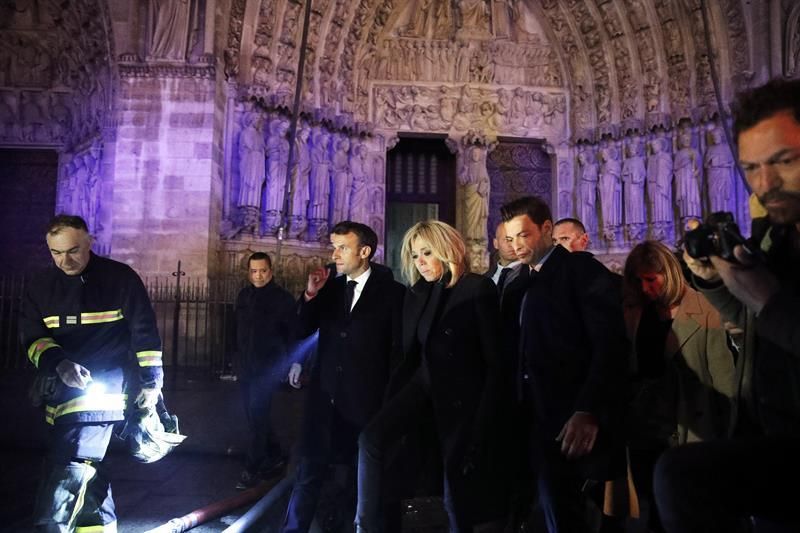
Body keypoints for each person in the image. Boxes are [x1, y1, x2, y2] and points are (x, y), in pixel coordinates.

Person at [655, 78, 800, 533]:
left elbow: (774, 313)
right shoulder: (779, 236)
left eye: (784, 161)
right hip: (776, 441)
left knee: (681, 478)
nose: (765, 184)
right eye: (751, 167)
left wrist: (769, 299)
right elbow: (761, 323)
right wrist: (719, 287)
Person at [355, 220, 508, 532]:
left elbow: (495, 361)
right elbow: (409, 351)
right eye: (414, 256)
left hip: (461, 399)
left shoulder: (477, 287)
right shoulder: (419, 292)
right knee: (371, 439)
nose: (419, 262)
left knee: (457, 492)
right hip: (422, 388)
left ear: (446, 249)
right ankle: (364, 526)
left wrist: (483, 418)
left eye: (426, 253)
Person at [20, 214, 164, 532]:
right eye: (56, 253)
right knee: (90, 468)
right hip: (59, 388)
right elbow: (32, 337)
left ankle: (52, 525)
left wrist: (151, 382)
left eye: (72, 250)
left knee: (73, 461)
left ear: (89, 241)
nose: (64, 260)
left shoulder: (120, 279)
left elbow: (145, 333)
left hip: (106, 388)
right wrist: (59, 363)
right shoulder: (41, 286)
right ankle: (99, 526)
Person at [501, 196, 628, 533]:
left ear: (546, 229)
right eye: (510, 238)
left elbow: (610, 344)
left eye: (523, 236)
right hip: (532, 416)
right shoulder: (520, 282)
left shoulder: (580, 270)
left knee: (572, 514)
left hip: (571, 418)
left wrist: (588, 409)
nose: (516, 246)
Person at [282, 221, 404, 533]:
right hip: (323, 402)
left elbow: (395, 352)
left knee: (355, 478)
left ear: (364, 252)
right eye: (334, 247)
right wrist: (310, 294)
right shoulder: (329, 288)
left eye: (342, 248)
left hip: (363, 403)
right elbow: (301, 331)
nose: (335, 254)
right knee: (308, 472)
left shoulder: (393, 293)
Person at [618, 240, 735, 532]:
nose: (645, 288)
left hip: (691, 428)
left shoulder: (704, 308)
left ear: (668, 273)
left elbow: (724, 381)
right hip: (645, 430)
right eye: (637, 281)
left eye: (650, 280)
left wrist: (727, 437)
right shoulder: (633, 312)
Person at [233, 251, 295, 490]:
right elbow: (236, 329)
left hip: (268, 368)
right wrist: (235, 358)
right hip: (247, 366)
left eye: (262, 271)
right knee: (253, 416)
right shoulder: (243, 295)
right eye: (253, 271)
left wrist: (289, 365)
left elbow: (291, 334)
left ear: (271, 271)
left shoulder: (283, 299)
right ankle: (275, 455)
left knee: (257, 417)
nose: (258, 275)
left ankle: (252, 467)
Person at [487, 221, 521, 294]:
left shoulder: (532, 275)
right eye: (507, 240)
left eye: (517, 239)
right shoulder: (486, 277)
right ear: (495, 243)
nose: (512, 245)